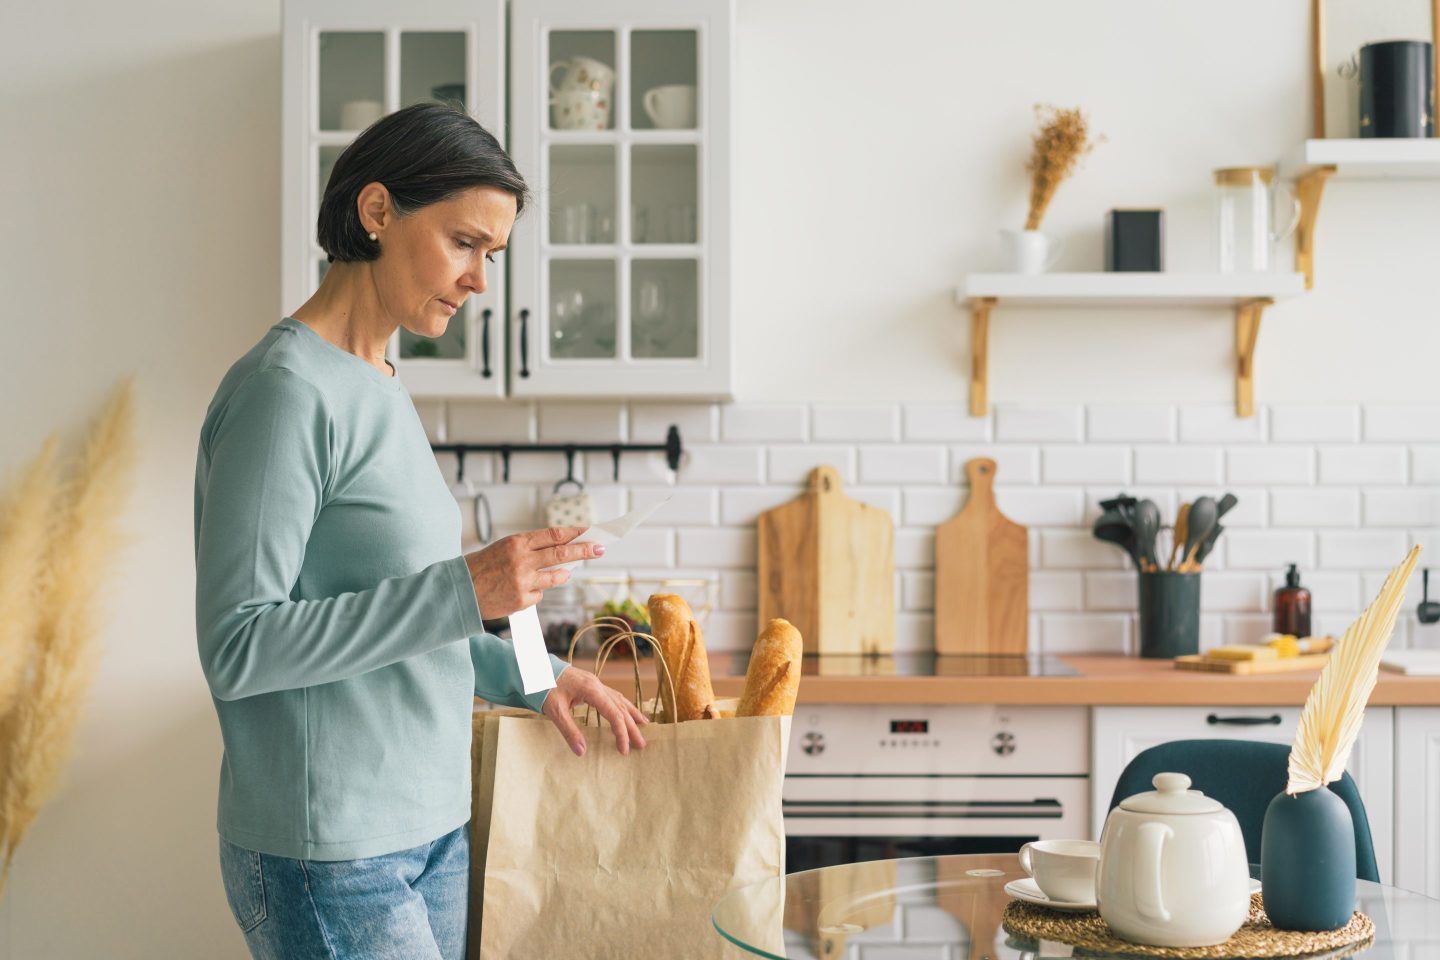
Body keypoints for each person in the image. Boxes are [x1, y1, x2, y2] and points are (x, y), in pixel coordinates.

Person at [193, 102, 644, 959]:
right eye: (465, 242)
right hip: (330, 849)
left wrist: (535, 675)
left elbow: (415, 614)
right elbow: (239, 645)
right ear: (376, 213)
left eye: (493, 255)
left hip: (430, 825)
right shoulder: (286, 393)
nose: (481, 278)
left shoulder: (378, 382)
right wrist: (467, 585)